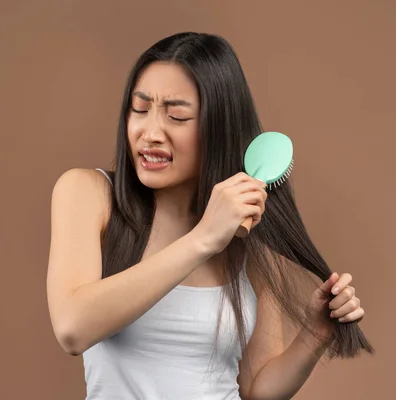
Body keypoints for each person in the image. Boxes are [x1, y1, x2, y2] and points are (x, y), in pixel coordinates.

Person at [46, 32, 372, 400]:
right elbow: (73, 328)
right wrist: (203, 238)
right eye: (140, 109)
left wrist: (315, 333)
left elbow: (255, 390)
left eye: (177, 115)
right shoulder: (89, 194)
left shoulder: (245, 234)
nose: (150, 132)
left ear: (219, 127)